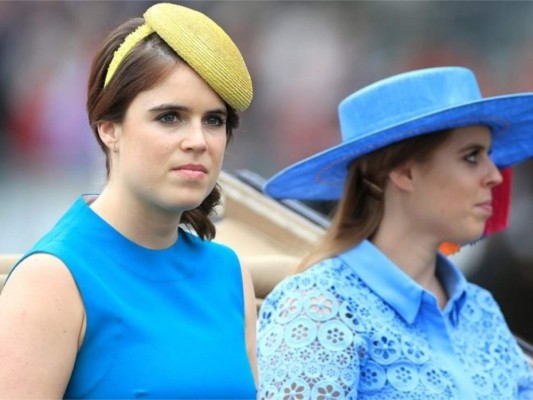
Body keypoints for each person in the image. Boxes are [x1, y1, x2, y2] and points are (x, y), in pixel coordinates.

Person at [0, 3, 257, 398]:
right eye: (170, 117)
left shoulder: (229, 272)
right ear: (108, 129)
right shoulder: (52, 279)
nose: (198, 140)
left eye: (214, 120)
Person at [257, 66, 533, 399]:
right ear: (403, 171)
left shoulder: (480, 309)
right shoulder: (318, 309)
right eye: (472, 156)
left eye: (488, 155)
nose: (495, 176)